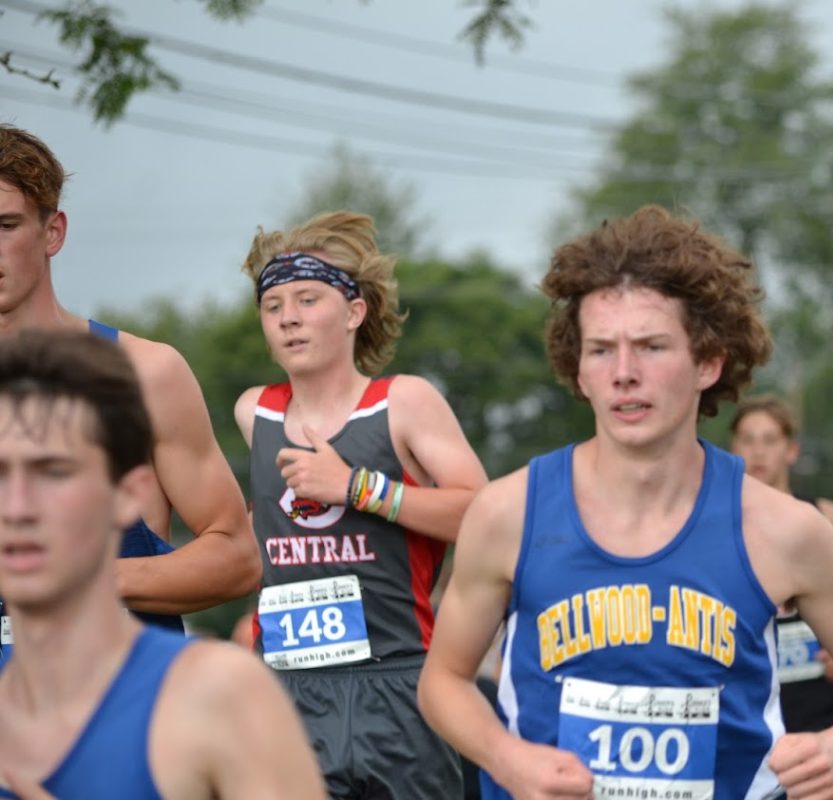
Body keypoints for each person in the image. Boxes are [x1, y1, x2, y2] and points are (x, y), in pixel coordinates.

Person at [418, 205, 833, 799]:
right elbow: (443, 680)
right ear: (579, 371)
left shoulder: (786, 530)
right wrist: (509, 760)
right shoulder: (509, 513)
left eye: (651, 347)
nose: (624, 373)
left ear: (708, 362)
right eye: (601, 350)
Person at [0, 329, 323, 799]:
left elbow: (237, 556)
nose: (19, 505)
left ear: (128, 493)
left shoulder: (218, 694)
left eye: (54, 472)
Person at [234, 211, 488, 799]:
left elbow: (484, 515)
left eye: (307, 299)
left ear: (355, 312)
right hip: (288, 687)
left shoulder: (403, 402)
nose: (289, 318)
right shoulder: (256, 415)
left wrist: (358, 489)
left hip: (396, 681)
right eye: (273, 307)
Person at [0, 124, 258, 650]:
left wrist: (89, 582)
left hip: (113, 706)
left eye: (4, 225)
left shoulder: (144, 373)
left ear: (53, 232)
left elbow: (236, 557)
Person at [729, 395, 833, 771]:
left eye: (769, 440)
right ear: (733, 448)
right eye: (747, 439)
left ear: (791, 450)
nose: (758, 451)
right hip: (746, 694)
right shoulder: (719, 520)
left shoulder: (825, 517)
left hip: (813, 691)